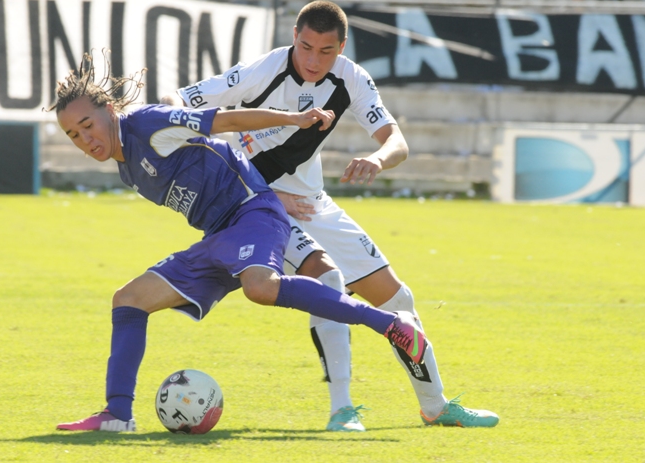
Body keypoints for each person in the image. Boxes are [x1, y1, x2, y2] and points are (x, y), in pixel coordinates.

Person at [163, 1, 499, 431]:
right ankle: (342, 409)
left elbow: (395, 139)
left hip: (314, 203)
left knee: (399, 300)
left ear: (341, 47)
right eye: (305, 47)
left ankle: (435, 406)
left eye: (325, 51)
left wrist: (378, 160)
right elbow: (176, 103)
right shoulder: (259, 73)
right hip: (259, 209)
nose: (312, 60)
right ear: (294, 38)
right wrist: (257, 189)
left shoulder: (352, 78)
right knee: (328, 279)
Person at [51, 53, 427, 432]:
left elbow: (227, 120)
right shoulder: (125, 164)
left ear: (110, 110)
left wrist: (295, 119)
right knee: (128, 299)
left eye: (88, 125)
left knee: (260, 287)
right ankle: (117, 415)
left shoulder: (147, 124)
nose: (86, 139)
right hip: (218, 235)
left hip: (251, 212)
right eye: (74, 135)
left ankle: (392, 325)